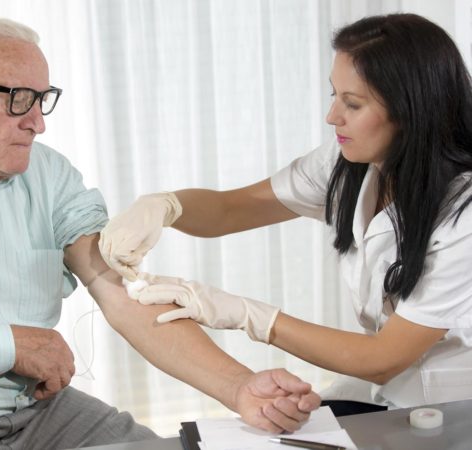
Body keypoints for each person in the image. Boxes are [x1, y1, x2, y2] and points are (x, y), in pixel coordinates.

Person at [0, 16, 321, 450]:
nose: (37, 122)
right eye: (18, 99)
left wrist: (240, 387)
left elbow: (124, 297)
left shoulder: (47, 175)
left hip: (41, 414)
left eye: (42, 99)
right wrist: (10, 346)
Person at [99, 13, 472, 417]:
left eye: (353, 103)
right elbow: (229, 210)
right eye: (334, 95)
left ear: (412, 109)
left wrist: (250, 316)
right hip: (388, 392)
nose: (333, 117)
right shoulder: (350, 164)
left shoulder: (463, 214)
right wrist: (165, 206)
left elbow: (383, 357)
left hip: (450, 406)